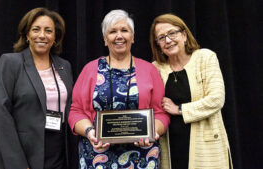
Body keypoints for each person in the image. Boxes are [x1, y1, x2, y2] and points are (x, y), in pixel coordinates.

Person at [68, 9, 170, 168]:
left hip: (142, 157)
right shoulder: (90, 69)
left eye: (124, 30)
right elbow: (76, 111)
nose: (119, 36)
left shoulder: (149, 70)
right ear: (105, 39)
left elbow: (160, 113)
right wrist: (90, 132)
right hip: (97, 155)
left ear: (133, 36)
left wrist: (153, 132)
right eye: (112, 31)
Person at [0, 7, 78, 169]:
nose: (42, 35)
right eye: (36, 29)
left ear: (55, 37)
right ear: (26, 35)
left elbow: (72, 106)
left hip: (58, 151)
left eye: (48, 31)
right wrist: (18, 163)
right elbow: (0, 113)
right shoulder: (11, 62)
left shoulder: (64, 66)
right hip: (24, 152)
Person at [150, 13, 233, 169]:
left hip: (206, 146)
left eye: (172, 33)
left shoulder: (205, 58)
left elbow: (216, 99)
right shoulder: (155, 67)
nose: (168, 40)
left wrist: (179, 109)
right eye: (161, 38)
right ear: (157, 45)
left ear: (184, 35)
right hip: (170, 146)